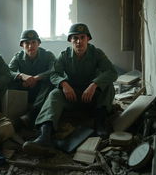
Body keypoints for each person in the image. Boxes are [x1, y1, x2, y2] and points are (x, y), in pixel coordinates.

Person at [23, 23, 118, 154]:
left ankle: (100, 124)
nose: (79, 42)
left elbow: (112, 72)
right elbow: (54, 73)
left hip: (91, 96)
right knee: (55, 94)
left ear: (88, 39)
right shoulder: (64, 56)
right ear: (70, 41)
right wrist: (64, 84)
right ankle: (45, 135)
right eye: (75, 38)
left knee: (109, 86)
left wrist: (94, 84)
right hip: (72, 95)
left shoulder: (97, 54)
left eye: (82, 37)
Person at [8, 29, 56, 128]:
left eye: (33, 42)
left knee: (51, 82)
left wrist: (36, 78)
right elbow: (8, 71)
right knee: (9, 82)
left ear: (38, 43)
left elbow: (54, 69)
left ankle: (32, 114)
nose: (30, 46)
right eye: (27, 43)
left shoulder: (48, 55)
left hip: (41, 90)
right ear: (22, 45)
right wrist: (21, 76)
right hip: (25, 87)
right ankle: (12, 115)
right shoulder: (18, 56)